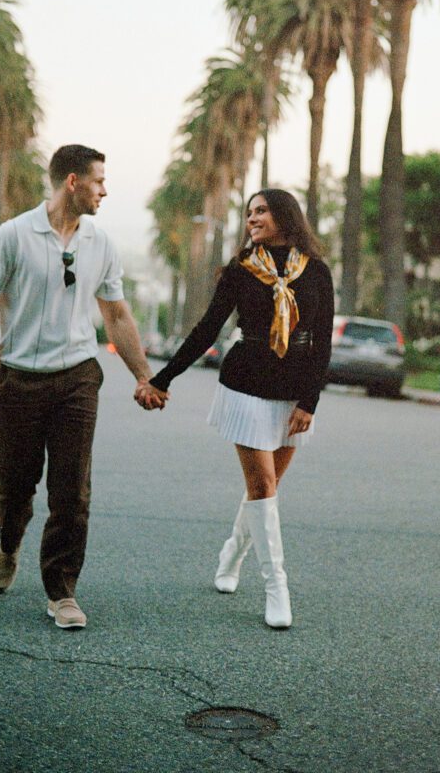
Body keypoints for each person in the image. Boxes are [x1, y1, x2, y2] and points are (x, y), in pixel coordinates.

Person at [0, 144, 166, 631]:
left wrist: (144, 375)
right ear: (72, 182)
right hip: (18, 379)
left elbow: (116, 315)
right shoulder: (14, 236)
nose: (106, 190)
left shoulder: (101, 242)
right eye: (99, 181)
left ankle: (61, 592)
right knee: (16, 487)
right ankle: (10, 542)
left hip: (77, 376)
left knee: (72, 490)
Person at [136, 189, 334, 629]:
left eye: (261, 211)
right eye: (248, 213)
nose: (252, 219)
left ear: (286, 216)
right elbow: (208, 327)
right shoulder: (241, 271)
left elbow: (322, 342)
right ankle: (276, 587)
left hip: (294, 390)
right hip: (245, 383)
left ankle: (233, 550)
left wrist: (310, 401)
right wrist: (162, 378)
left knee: (266, 488)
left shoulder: (316, 272)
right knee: (263, 485)